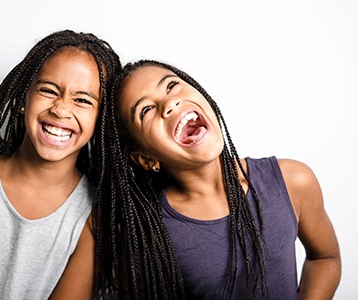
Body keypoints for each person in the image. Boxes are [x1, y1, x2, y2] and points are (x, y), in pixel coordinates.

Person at [93, 59, 341, 299]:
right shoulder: (148, 235)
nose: (169, 104)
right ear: (146, 159)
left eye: (171, 86)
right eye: (146, 110)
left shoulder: (292, 181)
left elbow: (325, 258)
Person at [0, 29, 121, 299]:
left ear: (101, 120)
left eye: (82, 100)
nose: (61, 109)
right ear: (23, 99)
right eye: (48, 90)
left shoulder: (95, 214)